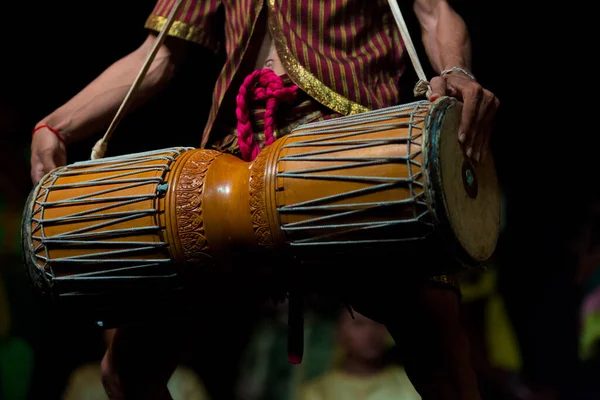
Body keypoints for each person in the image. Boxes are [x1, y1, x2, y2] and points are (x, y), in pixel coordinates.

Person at [29, 1, 499, 399]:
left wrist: (455, 71)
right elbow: (157, 55)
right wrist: (56, 124)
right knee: (125, 372)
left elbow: (434, 9)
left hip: (348, 143)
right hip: (233, 159)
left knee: (443, 362)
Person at [300, 309, 420, 400]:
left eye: (378, 323)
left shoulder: (412, 385)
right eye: (359, 324)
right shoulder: (318, 392)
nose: (370, 333)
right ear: (338, 331)